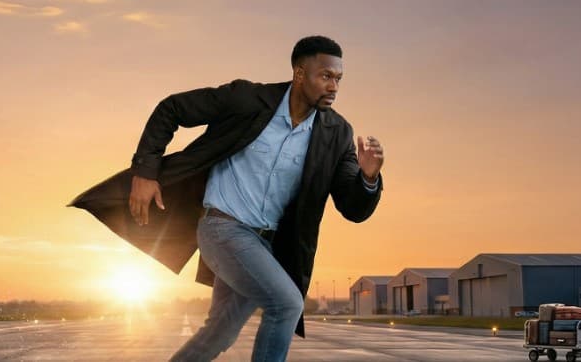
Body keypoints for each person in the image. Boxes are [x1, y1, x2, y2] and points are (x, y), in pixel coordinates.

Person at [69, 35, 384, 361]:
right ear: (300, 74)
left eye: (339, 79)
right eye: (326, 76)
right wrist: (145, 172)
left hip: (266, 248)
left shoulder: (338, 133)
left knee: (220, 331)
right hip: (222, 228)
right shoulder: (247, 99)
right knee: (287, 304)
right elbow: (172, 108)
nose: (334, 87)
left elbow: (352, 207)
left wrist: (368, 178)